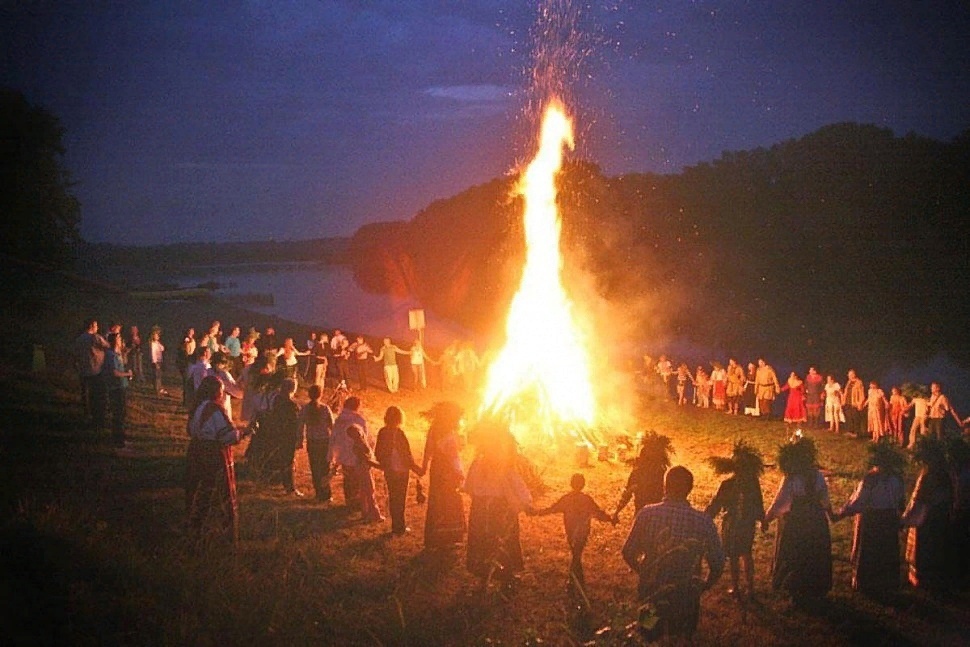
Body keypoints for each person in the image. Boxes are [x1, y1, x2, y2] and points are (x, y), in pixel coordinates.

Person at [622, 466, 724, 641]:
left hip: (652, 591)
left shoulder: (647, 514)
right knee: (682, 637)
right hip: (686, 594)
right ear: (689, 489)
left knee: (647, 635)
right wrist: (703, 585)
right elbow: (718, 562)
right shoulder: (703, 521)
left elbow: (628, 552)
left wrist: (644, 572)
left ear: (665, 486)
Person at [763, 436, 834, 606]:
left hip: (797, 520)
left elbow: (781, 501)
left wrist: (768, 518)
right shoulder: (817, 476)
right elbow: (824, 498)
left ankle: (797, 590)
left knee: (796, 552)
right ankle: (813, 588)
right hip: (815, 519)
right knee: (813, 551)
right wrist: (830, 513)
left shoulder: (792, 478)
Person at [465, 419, 532, 593]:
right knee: (503, 542)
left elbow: (469, 487)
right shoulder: (504, 469)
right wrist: (526, 503)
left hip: (480, 510)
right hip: (500, 510)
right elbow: (519, 488)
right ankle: (505, 577)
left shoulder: (477, 465)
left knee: (484, 542)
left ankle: (485, 575)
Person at [834, 440, 906, 596]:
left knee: (870, 552)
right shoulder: (897, 478)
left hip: (872, 520)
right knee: (886, 550)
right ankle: (887, 582)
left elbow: (859, 500)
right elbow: (901, 500)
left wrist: (841, 513)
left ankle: (869, 583)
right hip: (888, 520)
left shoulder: (871, 478)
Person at [185, 375, 250, 544]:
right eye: (221, 390)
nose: (222, 394)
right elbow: (227, 436)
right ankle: (218, 533)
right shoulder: (214, 409)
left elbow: (191, 430)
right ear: (215, 391)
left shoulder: (198, 407)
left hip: (196, 452)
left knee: (200, 490)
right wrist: (244, 433)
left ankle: (196, 528)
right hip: (212, 455)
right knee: (216, 492)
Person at [529, 473, 614, 595]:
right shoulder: (587, 500)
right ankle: (576, 581)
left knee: (576, 555)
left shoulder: (567, 499)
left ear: (571, 484)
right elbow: (599, 513)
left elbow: (552, 509)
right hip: (583, 532)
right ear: (583, 484)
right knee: (577, 555)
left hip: (571, 531)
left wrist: (537, 512)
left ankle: (573, 581)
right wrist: (611, 519)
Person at [705, 440, 766, 600]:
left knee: (735, 555)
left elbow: (717, 504)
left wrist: (707, 516)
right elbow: (758, 503)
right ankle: (748, 587)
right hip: (744, 523)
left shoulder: (730, 484)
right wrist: (762, 519)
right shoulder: (751, 483)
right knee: (745, 553)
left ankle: (737, 586)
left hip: (734, 523)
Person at [901, 436, 954, 590]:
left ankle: (921, 578)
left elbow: (918, 497)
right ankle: (936, 575)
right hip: (941, 514)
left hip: (927, 516)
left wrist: (906, 517)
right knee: (937, 544)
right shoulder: (945, 472)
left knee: (924, 546)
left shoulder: (927, 474)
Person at [419, 401, 467, 548]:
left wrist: (424, 467)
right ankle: (447, 538)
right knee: (448, 502)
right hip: (446, 470)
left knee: (438, 501)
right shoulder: (445, 431)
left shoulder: (435, 429)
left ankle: (437, 537)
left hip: (437, 468)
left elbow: (428, 449)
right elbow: (451, 453)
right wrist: (457, 471)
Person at [375, 406, 422, 534]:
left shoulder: (382, 432)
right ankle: (399, 527)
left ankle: (396, 526)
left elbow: (377, 452)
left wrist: (384, 463)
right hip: (401, 470)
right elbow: (406, 455)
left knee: (393, 497)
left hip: (390, 469)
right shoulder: (399, 433)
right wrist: (417, 469)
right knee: (400, 499)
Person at [613, 431, 673, 523]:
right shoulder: (661, 471)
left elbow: (627, 493)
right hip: (658, 516)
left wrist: (617, 512)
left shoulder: (638, 473)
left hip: (642, 516)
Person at [329, 396, 372, 511]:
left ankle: (350, 501)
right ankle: (358, 503)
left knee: (348, 479)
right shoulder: (359, 420)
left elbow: (334, 438)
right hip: (357, 455)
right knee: (357, 480)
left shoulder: (339, 420)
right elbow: (365, 438)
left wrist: (333, 456)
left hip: (344, 455)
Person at [73, 318, 110, 432]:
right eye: (96, 325)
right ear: (92, 326)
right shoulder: (95, 337)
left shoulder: (79, 339)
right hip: (96, 370)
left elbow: (75, 355)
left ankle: (87, 414)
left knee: (85, 394)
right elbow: (108, 346)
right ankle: (97, 419)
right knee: (96, 396)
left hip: (83, 371)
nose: (97, 327)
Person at [300, 384, 334, 502]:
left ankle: (319, 493)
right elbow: (332, 426)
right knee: (325, 468)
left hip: (312, 441)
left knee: (315, 468)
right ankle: (327, 494)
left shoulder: (305, 409)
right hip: (325, 441)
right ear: (320, 394)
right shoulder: (325, 409)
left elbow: (300, 426)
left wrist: (299, 441)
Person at [347, 423, 384, 523]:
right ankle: (375, 514)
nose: (358, 435)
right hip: (363, 469)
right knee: (369, 490)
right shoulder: (358, 446)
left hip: (362, 469)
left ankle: (366, 513)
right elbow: (366, 459)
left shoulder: (361, 444)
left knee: (364, 491)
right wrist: (379, 466)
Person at [105, 331, 133, 449]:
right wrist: (127, 374)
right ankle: (118, 442)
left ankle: (121, 440)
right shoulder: (111, 355)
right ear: (115, 341)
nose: (121, 341)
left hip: (121, 387)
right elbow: (114, 372)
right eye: (119, 339)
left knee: (122, 414)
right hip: (116, 388)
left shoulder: (117, 354)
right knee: (118, 415)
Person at [210, 352, 244, 421]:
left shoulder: (207, 371)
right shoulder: (223, 375)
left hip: (207, 410)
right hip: (221, 410)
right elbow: (238, 393)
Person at [843, 369, 866, 438]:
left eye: (850, 374)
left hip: (855, 403)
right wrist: (843, 400)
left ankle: (856, 433)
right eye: (848, 375)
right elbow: (846, 391)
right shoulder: (849, 382)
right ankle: (850, 431)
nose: (849, 376)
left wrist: (860, 403)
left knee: (855, 418)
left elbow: (861, 393)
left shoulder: (859, 382)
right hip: (848, 402)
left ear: (854, 375)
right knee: (849, 417)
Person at [149, 325, 166, 395]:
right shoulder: (153, 344)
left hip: (159, 361)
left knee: (159, 375)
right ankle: (157, 389)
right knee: (156, 376)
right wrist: (155, 362)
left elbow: (162, 348)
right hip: (156, 362)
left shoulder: (157, 343)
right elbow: (153, 353)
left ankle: (159, 387)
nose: (158, 336)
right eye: (156, 335)